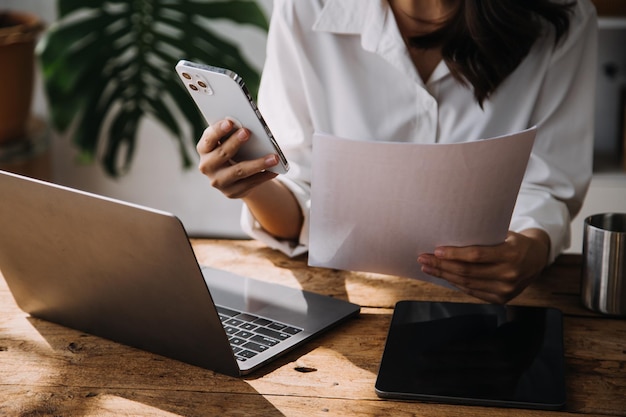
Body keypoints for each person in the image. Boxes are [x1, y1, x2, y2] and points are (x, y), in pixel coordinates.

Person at [195, 0, 597, 304]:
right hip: (348, 305)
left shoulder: (562, 16)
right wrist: (252, 184)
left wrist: (530, 248)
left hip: (494, 305)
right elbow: (300, 204)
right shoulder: (305, 8)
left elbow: (547, 186)